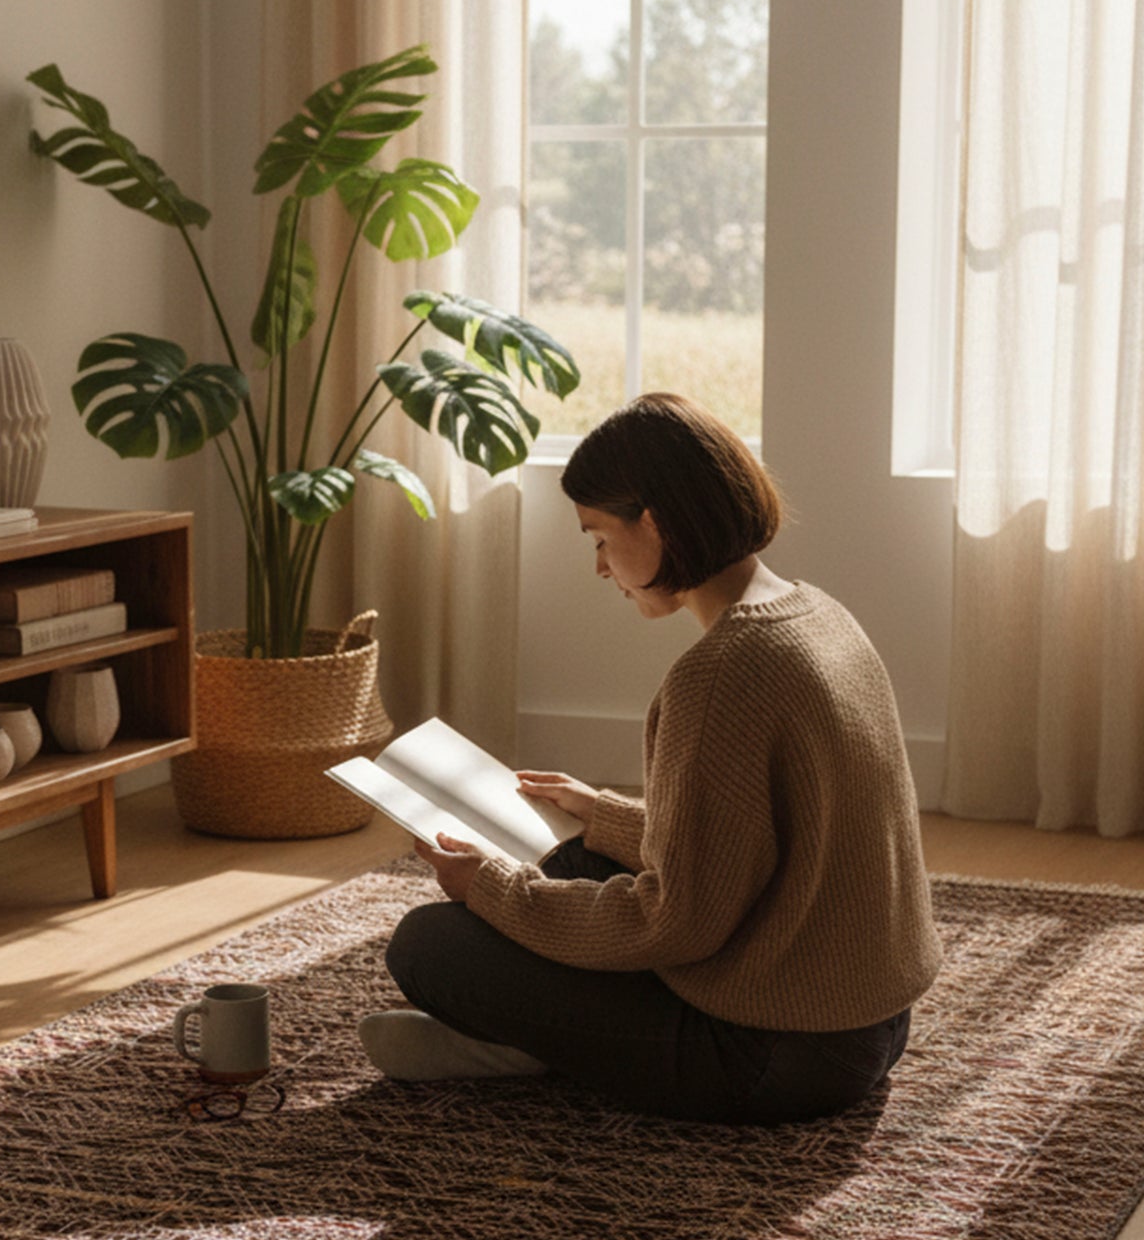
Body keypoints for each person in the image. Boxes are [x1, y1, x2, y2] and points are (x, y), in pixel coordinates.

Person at [359, 391, 943, 1124]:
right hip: (868, 1024)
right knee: (571, 860)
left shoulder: (722, 674)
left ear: (655, 522)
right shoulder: (819, 615)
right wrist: (602, 817)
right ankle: (551, 1038)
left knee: (430, 945)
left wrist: (491, 890)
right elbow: (764, 850)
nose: (601, 566)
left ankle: (526, 1049)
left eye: (599, 538)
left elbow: (679, 922)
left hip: (773, 1056)